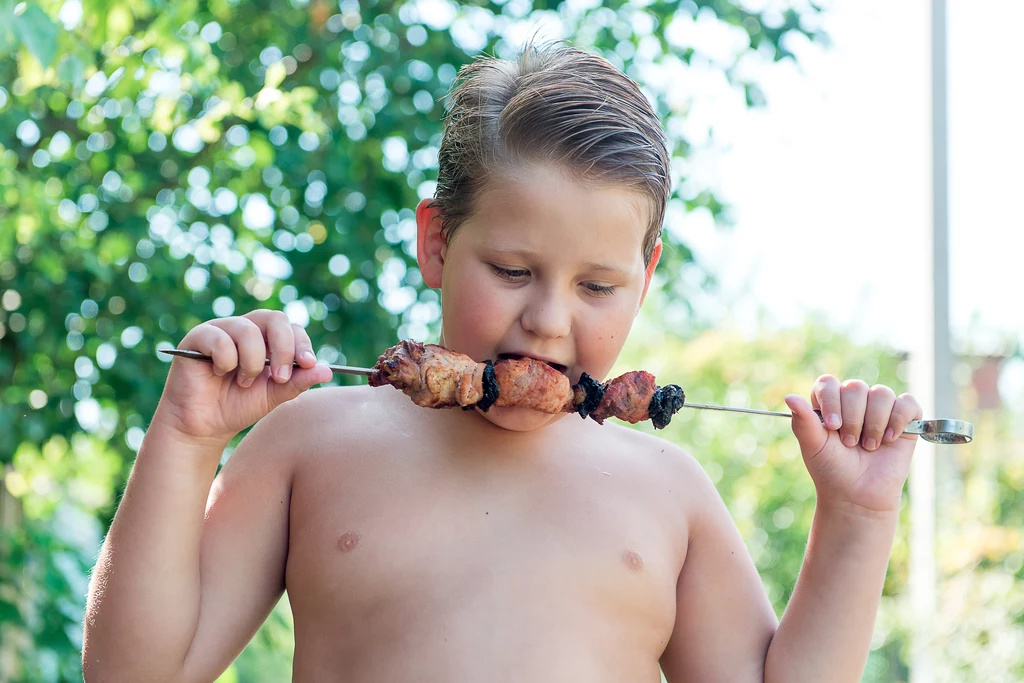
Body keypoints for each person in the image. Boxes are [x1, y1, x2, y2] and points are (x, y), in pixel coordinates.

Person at [82, 39, 923, 683]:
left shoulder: (669, 490)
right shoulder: (309, 443)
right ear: (437, 243)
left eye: (598, 285)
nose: (549, 321)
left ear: (646, 277)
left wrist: (856, 521)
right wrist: (188, 438)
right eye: (513, 271)